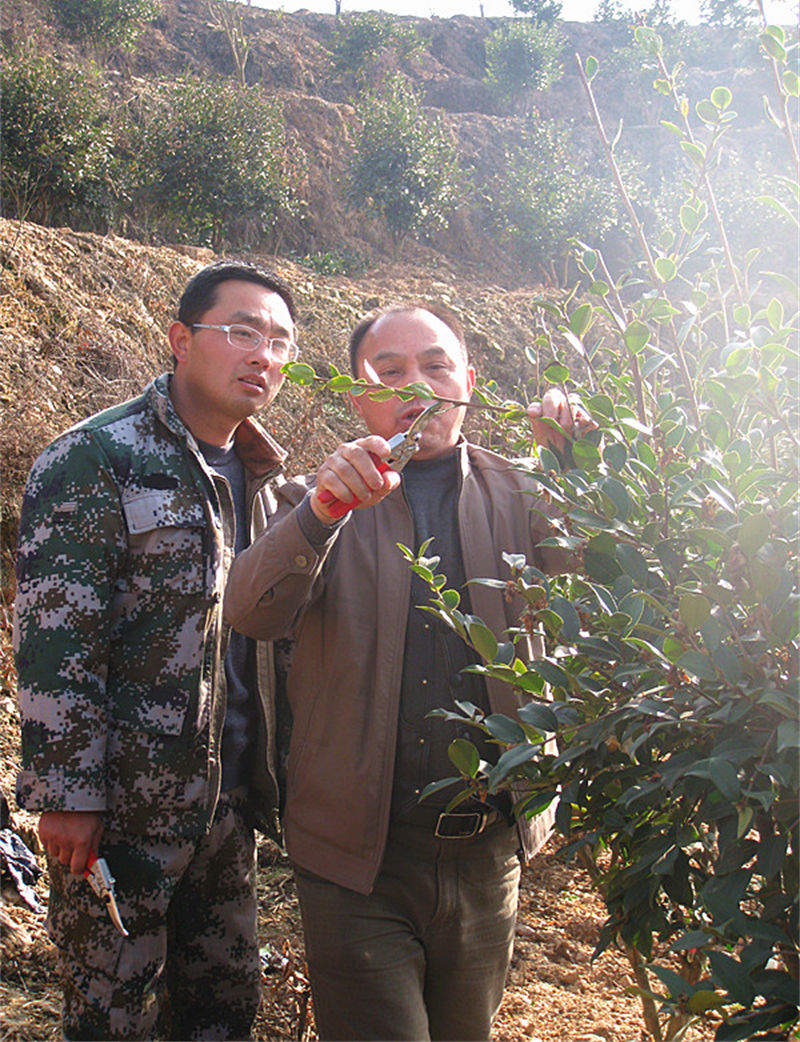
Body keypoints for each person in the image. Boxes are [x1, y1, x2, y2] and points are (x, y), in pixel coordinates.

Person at [224, 303, 595, 1042]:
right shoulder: (315, 498)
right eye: (388, 373)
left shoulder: (523, 491)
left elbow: (594, 598)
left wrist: (576, 473)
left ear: (470, 381)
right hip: (357, 862)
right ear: (359, 397)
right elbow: (251, 611)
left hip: (490, 852)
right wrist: (325, 509)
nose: (415, 385)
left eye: (435, 364)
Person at [14, 261, 299, 1040]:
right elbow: (55, 636)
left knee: (222, 1006)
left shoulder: (265, 479)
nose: (263, 355)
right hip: (121, 812)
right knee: (113, 1015)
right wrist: (70, 795)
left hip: (226, 803)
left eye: (280, 341)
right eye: (242, 331)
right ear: (180, 339)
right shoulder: (98, 457)